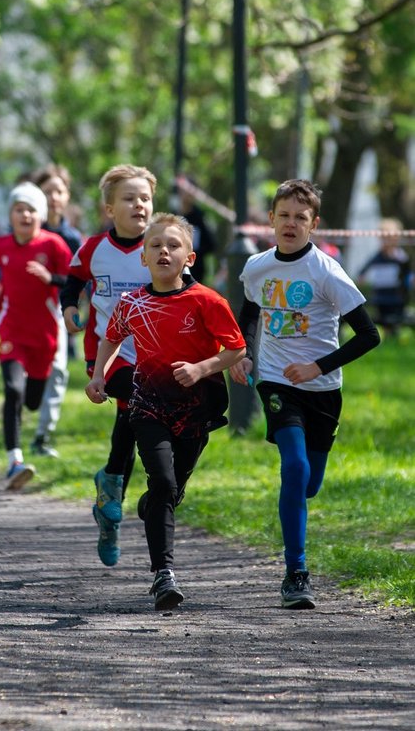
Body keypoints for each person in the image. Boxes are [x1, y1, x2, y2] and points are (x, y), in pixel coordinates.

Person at [230, 179, 380, 610]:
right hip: (277, 382)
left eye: (301, 217)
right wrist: (242, 353)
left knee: (309, 484)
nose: (291, 224)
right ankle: (296, 572)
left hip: (322, 389)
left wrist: (319, 366)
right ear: (271, 220)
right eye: (283, 215)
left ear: (314, 224)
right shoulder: (257, 266)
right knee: (293, 467)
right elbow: (250, 314)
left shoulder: (326, 271)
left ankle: (296, 518)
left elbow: (369, 336)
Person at [87, 214, 245, 610]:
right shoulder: (131, 302)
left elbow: (236, 349)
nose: (164, 251)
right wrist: (99, 376)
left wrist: (201, 369)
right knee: (161, 479)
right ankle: (163, 575)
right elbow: (111, 338)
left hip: (196, 409)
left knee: (169, 490)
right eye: (155, 245)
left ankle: (157, 503)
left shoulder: (208, 301)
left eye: (173, 245)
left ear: (189, 257)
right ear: (143, 258)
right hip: (147, 406)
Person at [59, 164, 156, 566]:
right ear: (109, 209)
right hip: (107, 353)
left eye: (146, 198)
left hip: (153, 353)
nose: (139, 205)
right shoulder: (94, 247)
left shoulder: (161, 246)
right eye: (129, 199)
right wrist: (69, 309)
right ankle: (112, 490)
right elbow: (73, 280)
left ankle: (110, 498)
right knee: (131, 405)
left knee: (133, 422)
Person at [0, 181, 71, 490]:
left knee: (32, 400)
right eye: (19, 209)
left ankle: (23, 438)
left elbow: (74, 281)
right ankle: (14, 460)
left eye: (31, 209)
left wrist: (51, 278)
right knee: (12, 390)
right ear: (11, 214)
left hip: (44, 336)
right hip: (11, 332)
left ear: (40, 215)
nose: (25, 215)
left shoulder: (54, 245)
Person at [28, 164, 84, 458]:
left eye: (59, 191)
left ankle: (42, 436)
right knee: (29, 377)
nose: (53, 197)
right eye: (47, 191)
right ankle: (22, 417)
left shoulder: (73, 238)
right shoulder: (27, 232)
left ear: (67, 196)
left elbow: (80, 281)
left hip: (58, 314)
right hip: (26, 315)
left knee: (58, 371)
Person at [358, 217, 411, 337]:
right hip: (380, 295)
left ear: (397, 238)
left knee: (395, 320)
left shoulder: (400, 256)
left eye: (389, 238)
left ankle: (394, 336)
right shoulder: (377, 256)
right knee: (383, 319)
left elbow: (407, 272)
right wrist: (362, 275)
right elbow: (366, 267)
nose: (386, 241)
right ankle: (388, 336)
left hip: (396, 295)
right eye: (383, 238)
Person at [176, 176, 217, 284]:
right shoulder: (174, 216)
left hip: (196, 270)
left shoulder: (200, 217)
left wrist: (192, 253)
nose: (185, 194)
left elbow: (211, 245)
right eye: (182, 190)